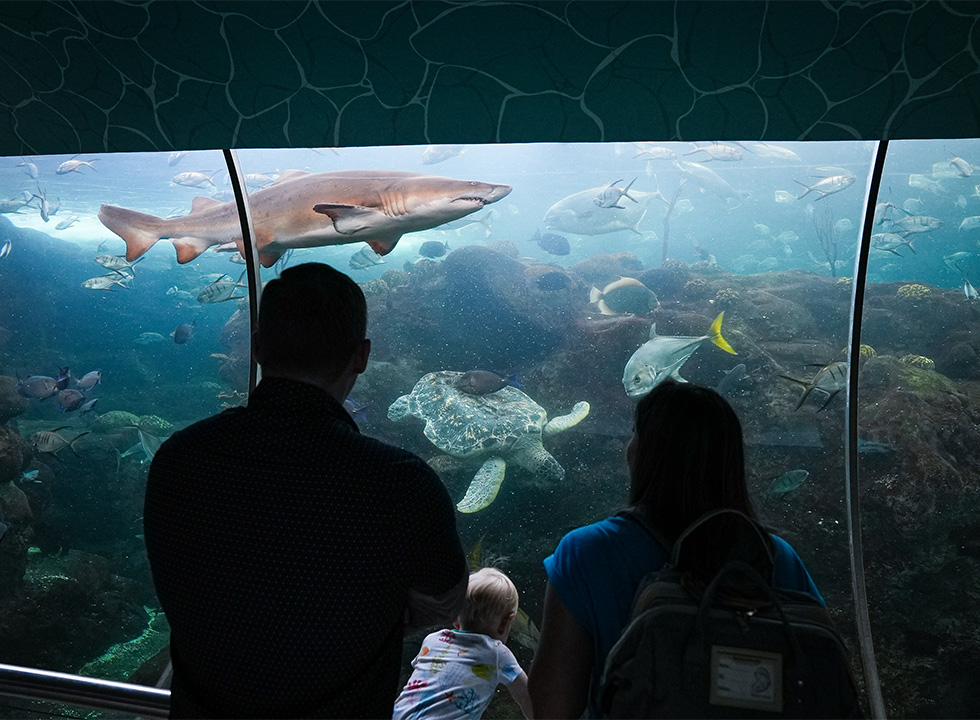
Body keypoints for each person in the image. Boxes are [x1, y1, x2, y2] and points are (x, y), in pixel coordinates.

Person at [143, 262, 468, 718]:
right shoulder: (400, 481)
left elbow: (181, 581)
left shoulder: (181, 457)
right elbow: (441, 604)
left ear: (256, 347)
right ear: (362, 355)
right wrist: (357, 616)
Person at [527, 379, 824, 719]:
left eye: (634, 432)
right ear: (731, 461)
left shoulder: (589, 552)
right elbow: (819, 677)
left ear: (644, 452)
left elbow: (550, 709)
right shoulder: (775, 558)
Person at [394, 567, 533, 720]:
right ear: (505, 623)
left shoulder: (432, 639)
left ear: (455, 618)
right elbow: (527, 697)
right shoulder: (497, 653)